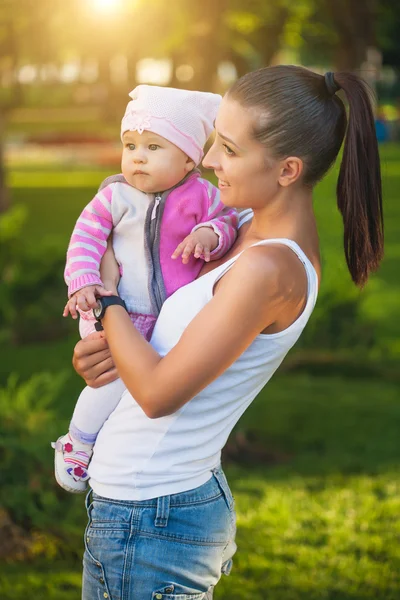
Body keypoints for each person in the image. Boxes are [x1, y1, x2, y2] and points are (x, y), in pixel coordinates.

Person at [72, 66, 384, 599]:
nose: (209, 159)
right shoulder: (236, 230)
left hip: (151, 519)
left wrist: (106, 298)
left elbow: (158, 393)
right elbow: (157, 357)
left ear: (287, 169)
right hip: (144, 507)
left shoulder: (269, 270)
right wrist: (105, 354)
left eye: (230, 150)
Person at [53, 84, 239, 493]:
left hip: (172, 316)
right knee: (114, 378)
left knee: (148, 385)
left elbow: (226, 222)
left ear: (190, 158)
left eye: (154, 147)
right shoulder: (115, 195)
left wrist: (209, 234)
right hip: (119, 307)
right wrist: (84, 283)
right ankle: (78, 441)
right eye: (130, 144)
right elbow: (84, 240)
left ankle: (107, 442)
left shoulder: (202, 195)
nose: (137, 156)